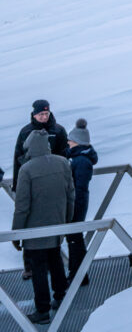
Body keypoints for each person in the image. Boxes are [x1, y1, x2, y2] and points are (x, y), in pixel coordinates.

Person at [12, 129, 74, 325]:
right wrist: (66, 221)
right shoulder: (63, 163)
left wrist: (16, 233)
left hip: (34, 230)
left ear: (30, 147)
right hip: (57, 225)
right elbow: (71, 195)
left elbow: (22, 206)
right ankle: (61, 297)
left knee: (38, 269)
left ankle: (43, 311)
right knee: (55, 260)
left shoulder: (27, 169)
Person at [12, 99, 68, 280]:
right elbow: (17, 158)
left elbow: (65, 155)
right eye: (41, 114)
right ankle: (29, 266)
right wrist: (16, 184)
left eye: (46, 114)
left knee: (52, 223)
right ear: (34, 114)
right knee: (29, 224)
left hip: (53, 183)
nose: (44, 117)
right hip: (30, 183)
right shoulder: (26, 132)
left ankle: (54, 264)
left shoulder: (58, 131)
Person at [65, 119, 98, 285]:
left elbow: (79, 187)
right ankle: (76, 273)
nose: (67, 143)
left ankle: (79, 275)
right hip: (77, 202)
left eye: (69, 141)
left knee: (75, 238)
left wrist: (72, 205)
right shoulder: (79, 157)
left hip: (77, 204)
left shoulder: (81, 161)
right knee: (74, 238)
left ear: (77, 142)